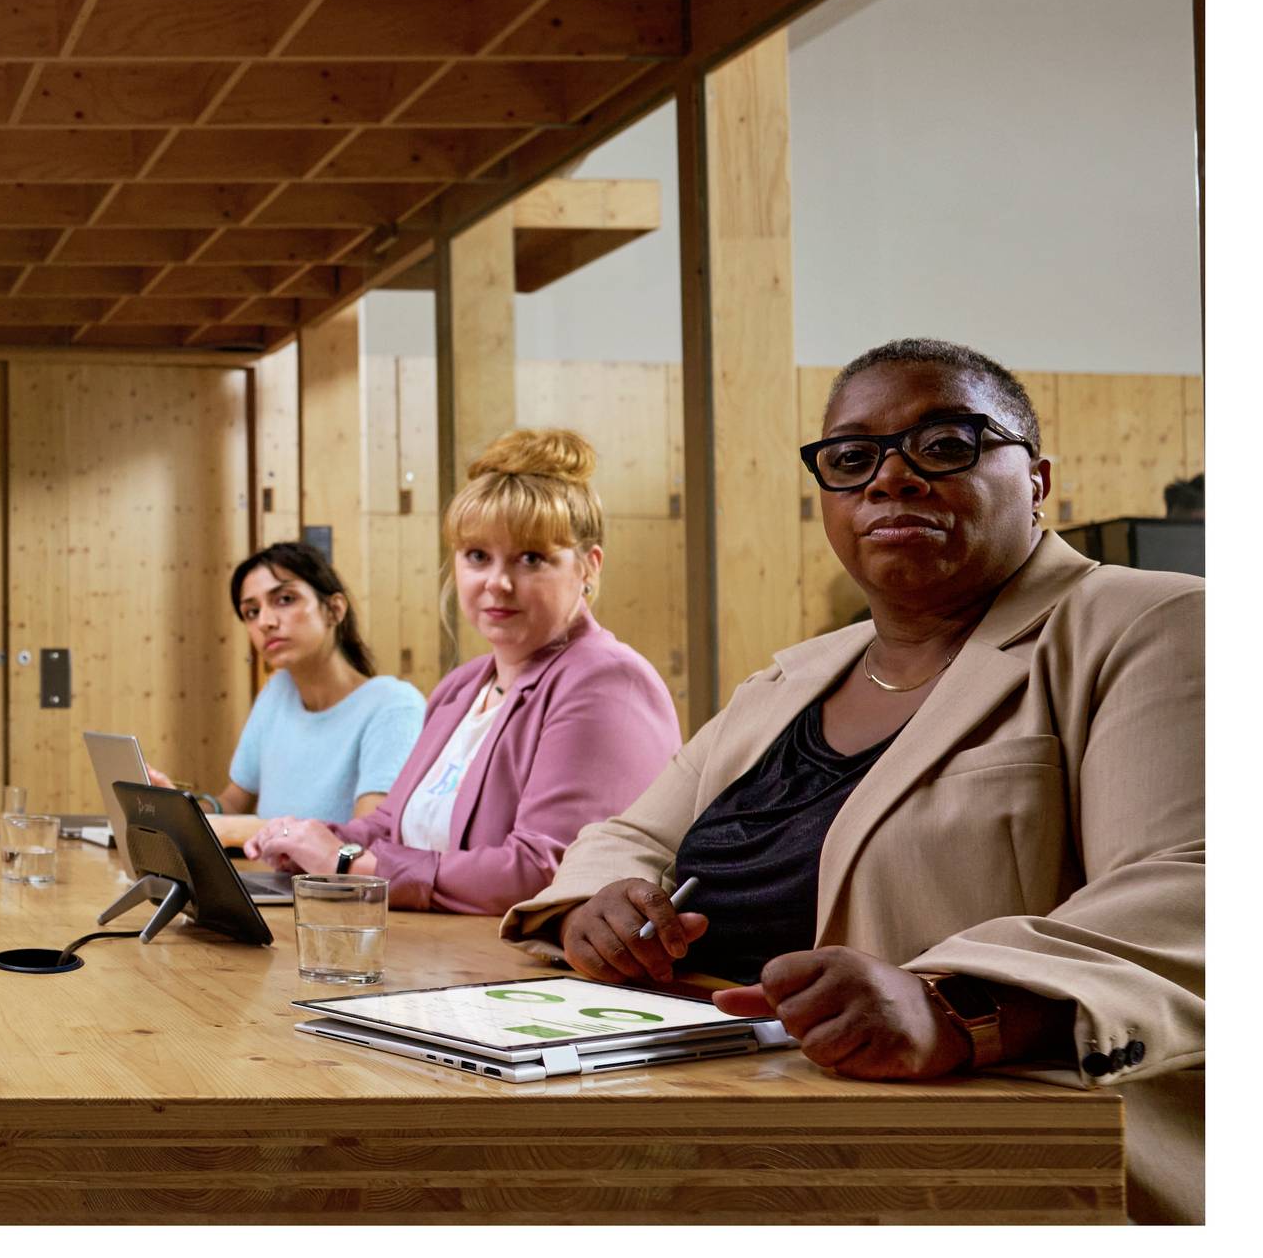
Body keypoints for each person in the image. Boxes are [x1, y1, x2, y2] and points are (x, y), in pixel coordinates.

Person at [504, 340, 1203, 1223]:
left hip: (996, 1164)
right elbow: (627, 834)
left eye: (945, 443)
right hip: (725, 1120)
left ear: (1036, 478)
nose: (891, 478)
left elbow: (1194, 884)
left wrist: (957, 1005)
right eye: (851, 458)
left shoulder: (1148, 623)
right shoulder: (792, 679)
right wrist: (596, 903)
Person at [242, 429, 680, 914]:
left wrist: (350, 866)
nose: (498, 582)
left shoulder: (607, 682)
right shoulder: (461, 687)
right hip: (436, 955)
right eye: (478, 556)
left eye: (530, 558)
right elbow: (389, 824)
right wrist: (310, 840)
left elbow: (545, 872)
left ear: (588, 568)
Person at [147, 542, 424, 828]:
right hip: (266, 871)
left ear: (334, 609)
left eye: (285, 599)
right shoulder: (277, 691)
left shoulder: (394, 705)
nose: (265, 622)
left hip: (323, 874)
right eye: (251, 612)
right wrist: (179, 810)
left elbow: (369, 837)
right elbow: (232, 803)